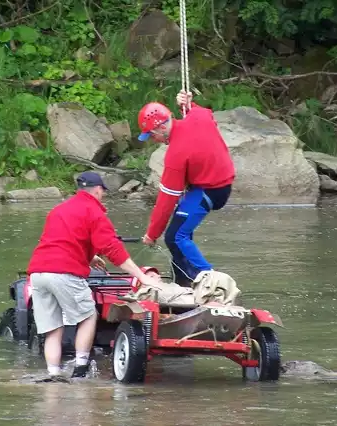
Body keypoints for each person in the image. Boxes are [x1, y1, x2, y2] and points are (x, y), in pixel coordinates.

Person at [26, 171, 161, 382]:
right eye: (103, 192)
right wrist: (141, 277)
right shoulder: (94, 213)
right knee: (88, 316)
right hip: (64, 273)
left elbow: (61, 241)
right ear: (98, 190)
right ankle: (80, 368)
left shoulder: (58, 210)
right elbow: (113, 249)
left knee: (53, 327)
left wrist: (89, 257)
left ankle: (53, 374)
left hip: (38, 273)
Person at [137, 90, 235, 287]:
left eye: (152, 134)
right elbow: (204, 114)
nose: (153, 139)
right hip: (218, 185)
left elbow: (166, 202)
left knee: (175, 236)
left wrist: (152, 234)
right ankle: (182, 280)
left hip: (210, 190)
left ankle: (211, 280)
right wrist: (191, 104)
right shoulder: (197, 115)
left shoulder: (175, 155)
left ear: (162, 126)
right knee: (180, 231)